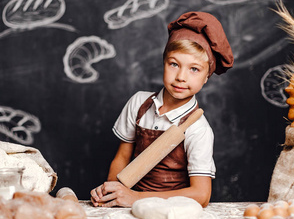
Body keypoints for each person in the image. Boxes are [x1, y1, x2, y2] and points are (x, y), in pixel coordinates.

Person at [90, 11, 234, 208]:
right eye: (174, 64)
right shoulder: (139, 103)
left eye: (194, 69)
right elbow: (122, 157)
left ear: (206, 76)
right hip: (129, 206)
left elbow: (201, 195)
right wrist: (112, 192)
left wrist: (134, 198)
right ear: (163, 62)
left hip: (173, 211)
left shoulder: (198, 129)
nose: (181, 77)